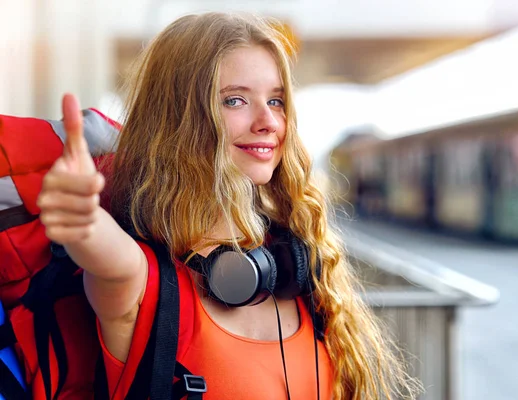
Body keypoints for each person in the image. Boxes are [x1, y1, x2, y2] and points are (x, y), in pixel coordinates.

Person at [36, 12, 419, 399]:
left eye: (276, 100)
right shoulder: (144, 282)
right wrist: (82, 218)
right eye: (235, 100)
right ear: (178, 121)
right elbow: (106, 254)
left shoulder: (293, 267)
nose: (268, 120)